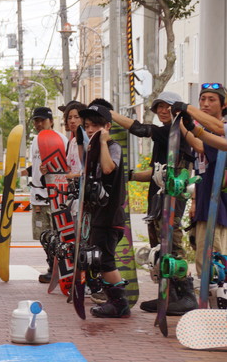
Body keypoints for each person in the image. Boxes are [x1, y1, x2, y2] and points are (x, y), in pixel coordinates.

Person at [110, 92, 197, 314]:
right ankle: (168, 296)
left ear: (177, 110)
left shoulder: (175, 130)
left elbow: (139, 129)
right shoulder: (165, 136)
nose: (162, 110)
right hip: (158, 197)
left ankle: (186, 296)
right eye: (158, 107)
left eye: (167, 106)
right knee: (159, 247)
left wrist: (110, 114)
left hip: (173, 198)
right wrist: (128, 175)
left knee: (173, 244)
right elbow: (156, 173)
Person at [78, 104, 131, 318]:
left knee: (106, 259)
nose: (90, 129)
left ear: (107, 126)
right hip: (97, 216)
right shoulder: (94, 150)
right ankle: (114, 300)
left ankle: (119, 303)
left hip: (110, 217)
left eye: (96, 125)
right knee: (99, 259)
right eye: (87, 125)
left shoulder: (112, 147)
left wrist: (102, 141)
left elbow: (109, 169)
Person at [177, 83, 227, 284]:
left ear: (224, 105)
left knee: (215, 264)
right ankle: (209, 307)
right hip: (205, 205)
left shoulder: (220, 130)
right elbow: (200, 168)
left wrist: (184, 120)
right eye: (202, 99)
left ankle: (219, 310)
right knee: (202, 263)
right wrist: (196, 201)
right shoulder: (205, 130)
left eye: (212, 99)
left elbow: (201, 145)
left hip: (219, 207)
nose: (205, 104)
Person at [20, 106, 68, 284]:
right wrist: (22, 173)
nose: (39, 124)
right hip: (38, 195)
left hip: (56, 196)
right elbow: (37, 165)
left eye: (43, 120)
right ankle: (51, 266)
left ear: (51, 121)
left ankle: (60, 267)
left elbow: (67, 167)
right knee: (44, 235)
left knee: (59, 234)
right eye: (36, 121)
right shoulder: (35, 141)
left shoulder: (62, 139)